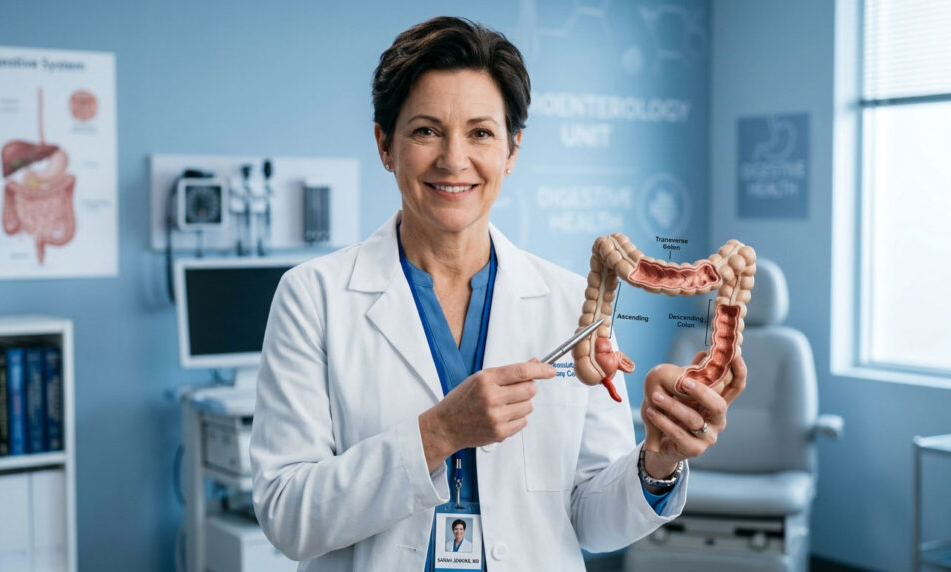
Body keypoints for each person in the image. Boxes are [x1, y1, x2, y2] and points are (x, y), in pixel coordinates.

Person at [250, 16, 746, 571]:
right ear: (384, 145)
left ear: (512, 151)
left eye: (481, 132)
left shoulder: (571, 305)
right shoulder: (312, 298)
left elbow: (591, 519)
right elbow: (287, 515)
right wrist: (438, 434)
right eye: (425, 131)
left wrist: (658, 462)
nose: (454, 159)